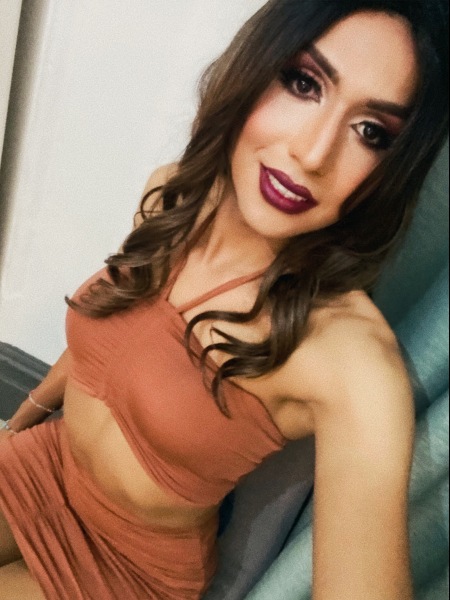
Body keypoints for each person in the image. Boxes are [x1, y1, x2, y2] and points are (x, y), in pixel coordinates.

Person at [0, 0, 448, 598]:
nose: (313, 154)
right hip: (44, 465)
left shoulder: (350, 362)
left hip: (126, 571)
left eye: (371, 132)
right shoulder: (172, 196)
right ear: (253, 69)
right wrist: (22, 418)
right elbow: (110, 340)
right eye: (303, 83)